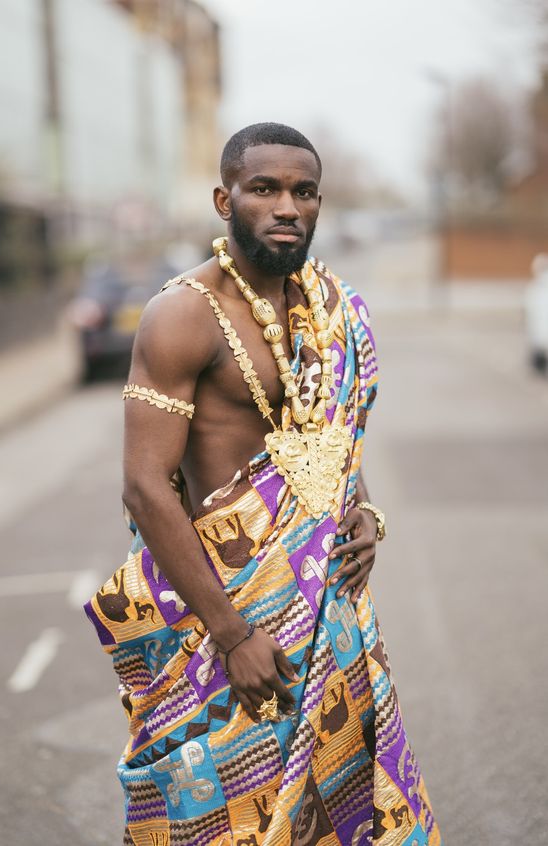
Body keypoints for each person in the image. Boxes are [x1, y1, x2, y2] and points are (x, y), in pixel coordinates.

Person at [85, 123, 440, 846]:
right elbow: (145, 488)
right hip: (223, 621)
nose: (288, 207)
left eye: (304, 192)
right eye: (265, 189)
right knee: (220, 823)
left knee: (333, 811)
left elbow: (333, 435)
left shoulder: (330, 308)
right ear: (226, 199)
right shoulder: (182, 313)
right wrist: (233, 633)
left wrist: (364, 509)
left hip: (326, 612)